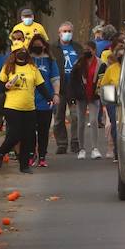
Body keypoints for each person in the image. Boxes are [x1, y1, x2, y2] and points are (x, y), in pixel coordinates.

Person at [0, 45, 50, 174]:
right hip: (12, 106)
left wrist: (49, 98)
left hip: (29, 107)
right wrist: (7, 86)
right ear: (14, 54)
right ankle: (1, 151)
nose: (22, 53)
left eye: (24, 51)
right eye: (19, 51)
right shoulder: (8, 67)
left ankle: (24, 165)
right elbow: (0, 85)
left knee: (27, 137)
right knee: (15, 134)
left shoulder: (32, 68)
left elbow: (40, 85)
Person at [69, 42, 103, 159]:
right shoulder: (78, 63)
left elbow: (103, 78)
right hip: (81, 96)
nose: (86, 52)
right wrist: (74, 95)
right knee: (81, 122)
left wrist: (100, 93)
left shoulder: (100, 63)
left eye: (88, 49)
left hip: (94, 96)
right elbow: (73, 80)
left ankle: (95, 148)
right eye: (84, 49)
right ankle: (82, 148)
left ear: (94, 50)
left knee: (93, 121)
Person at [30, 36, 58, 168]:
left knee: (43, 130)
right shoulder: (28, 60)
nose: (37, 47)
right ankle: (31, 154)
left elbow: (55, 79)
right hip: (29, 101)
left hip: (46, 101)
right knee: (29, 130)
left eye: (39, 44)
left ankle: (42, 156)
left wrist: (56, 94)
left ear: (44, 46)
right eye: (34, 44)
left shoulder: (50, 61)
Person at [54, 21, 80, 154]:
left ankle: (75, 142)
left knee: (76, 116)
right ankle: (62, 143)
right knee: (59, 117)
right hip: (60, 88)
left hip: (74, 88)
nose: (67, 34)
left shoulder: (77, 48)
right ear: (59, 33)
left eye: (69, 31)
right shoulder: (53, 49)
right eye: (64, 31)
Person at [98, 40, 123, 159]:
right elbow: (105, 85)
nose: (121, 57)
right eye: (119, 55)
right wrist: (109, 104)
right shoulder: (111, 69)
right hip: (115, 102)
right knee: (115, 125)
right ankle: (117, 152)